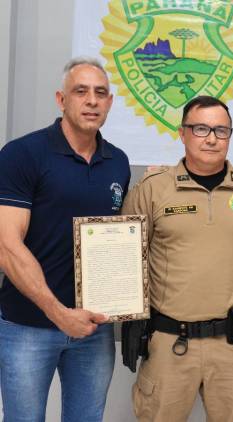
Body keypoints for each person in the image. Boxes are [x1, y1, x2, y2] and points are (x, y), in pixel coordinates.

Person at [121, 95, 233, 422]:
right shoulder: (152, 190)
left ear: (230, 136)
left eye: (221, 131)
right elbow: (128, 259)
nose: (211, 138)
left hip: (232, 346)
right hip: (169, 344)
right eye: (201, 128)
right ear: (182, 133)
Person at [0, 57, 130, 421]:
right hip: (28, 327)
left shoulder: (117, 162)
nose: (91, 101)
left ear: (110, 102)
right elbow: (7, 247)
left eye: (100, 93)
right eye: (81, 91)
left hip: (93, 329)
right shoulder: (22, 154)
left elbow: (115, 243)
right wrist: (59, 313)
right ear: (61, 99)